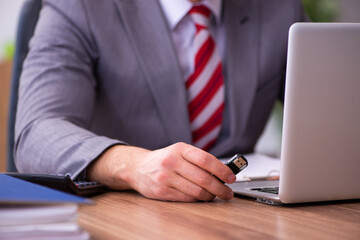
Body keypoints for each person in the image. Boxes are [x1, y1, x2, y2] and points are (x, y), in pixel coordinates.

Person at [15, 0, 306, 202]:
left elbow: (327, 106)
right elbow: (36, 131)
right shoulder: (82, 7)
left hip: (236, 208)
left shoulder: (279, 8)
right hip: (126, 213)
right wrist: (132, 165)